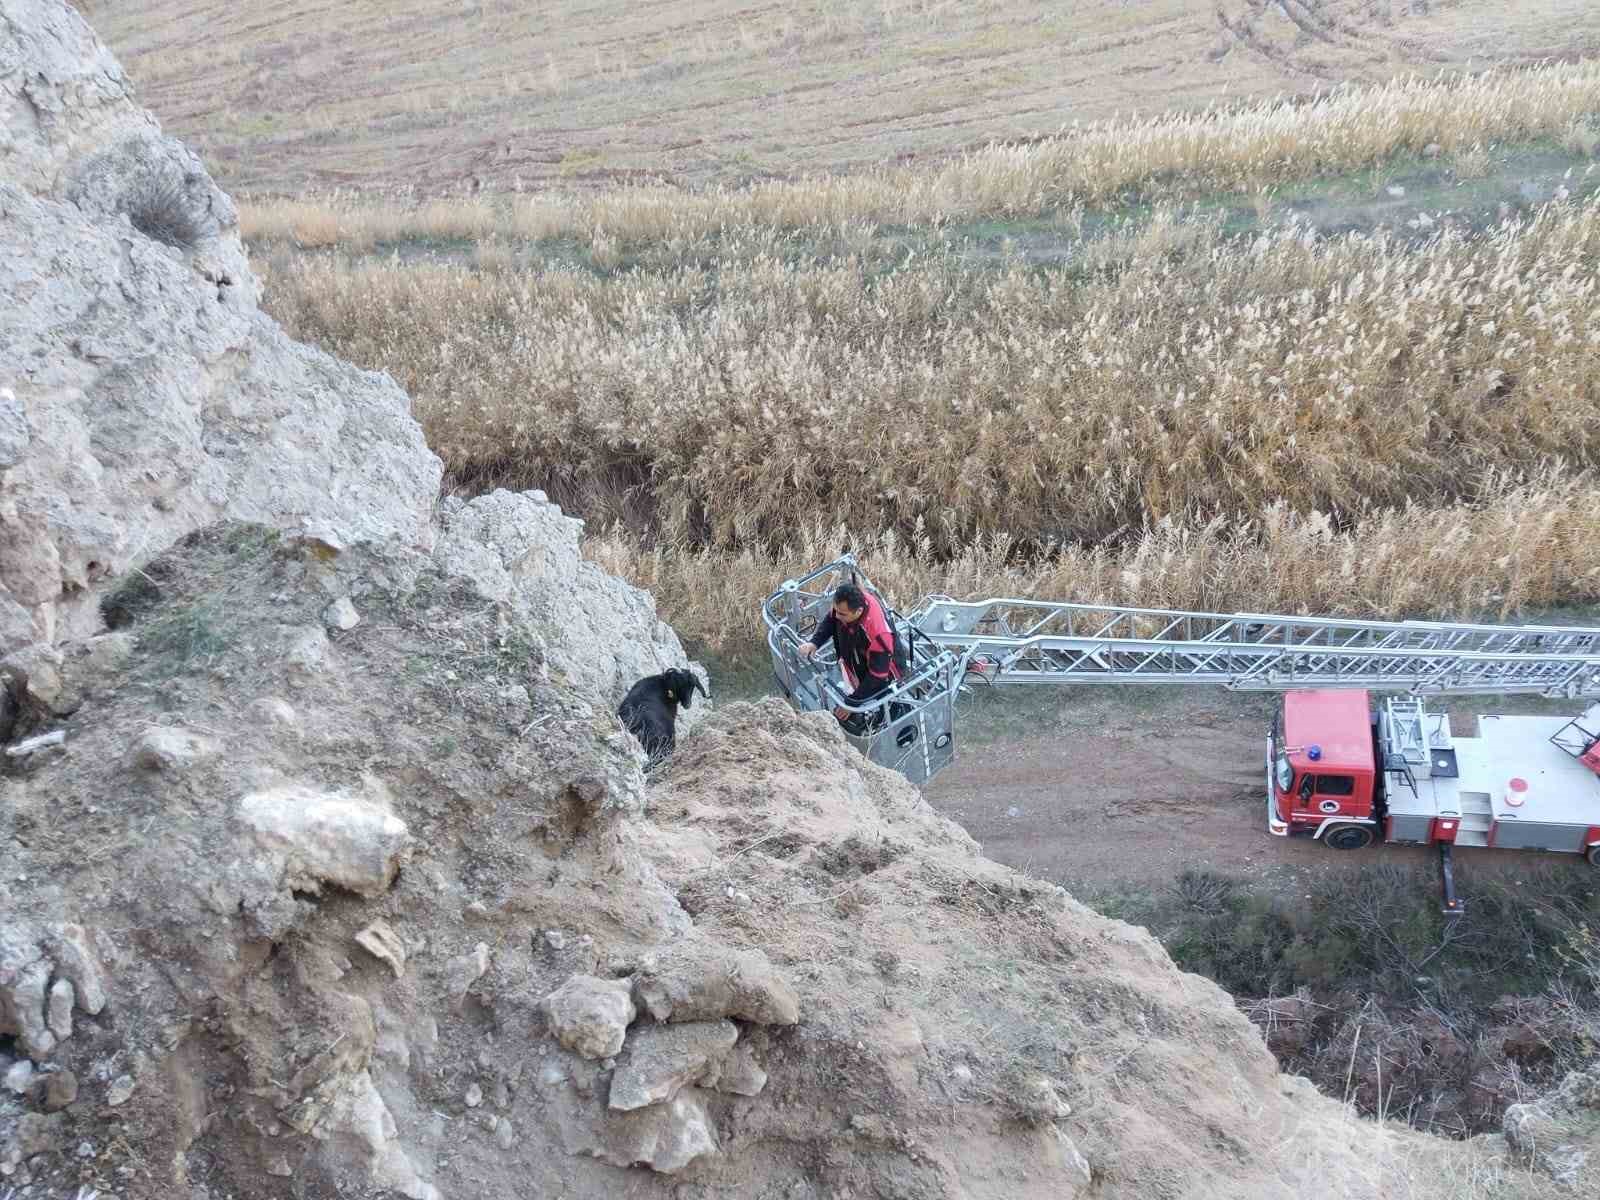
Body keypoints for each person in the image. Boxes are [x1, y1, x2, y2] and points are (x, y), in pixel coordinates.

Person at [798, 583, 901, 725]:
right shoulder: (847, 607)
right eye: (836, 610)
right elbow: (831, 618)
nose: (837, 615)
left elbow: (878, 676)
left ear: (858, 612)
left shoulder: (878, 634)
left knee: (887, 702)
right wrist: (814, 642)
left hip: (884, 673)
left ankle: (888, 719)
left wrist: (852, 703)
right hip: (858, 655)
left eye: (842, 614)